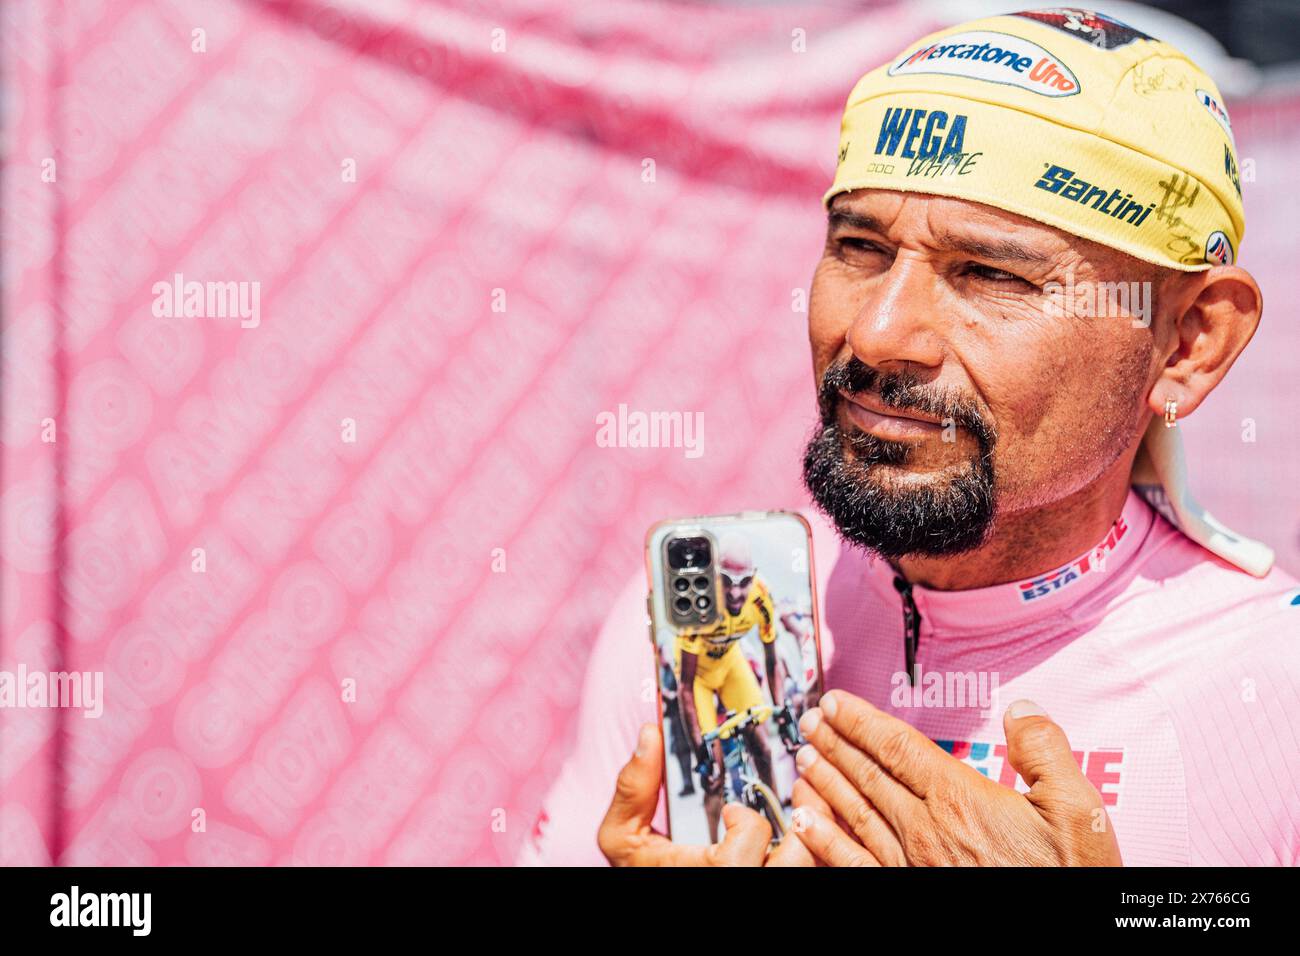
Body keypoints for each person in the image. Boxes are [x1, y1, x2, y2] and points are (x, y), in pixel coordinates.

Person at [519, 8, 1300, 868]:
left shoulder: (1271, 693)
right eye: (859, 247)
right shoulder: (715, 625)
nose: (881, 332)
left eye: (991, 273)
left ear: (1188, 342)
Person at [672, 533, 785, 843]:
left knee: (762, 746)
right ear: (712, 576)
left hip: (730, 665)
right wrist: (701, 752)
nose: (736, 592)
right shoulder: (697, 609)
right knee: (714, 773)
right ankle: (713, 842)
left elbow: (772, 660)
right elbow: (685, 688)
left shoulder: (761, 597)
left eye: (744, 580)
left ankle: (778, 825)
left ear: (755, 577)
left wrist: (782, 712)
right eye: (726, 580)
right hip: (698, 680)